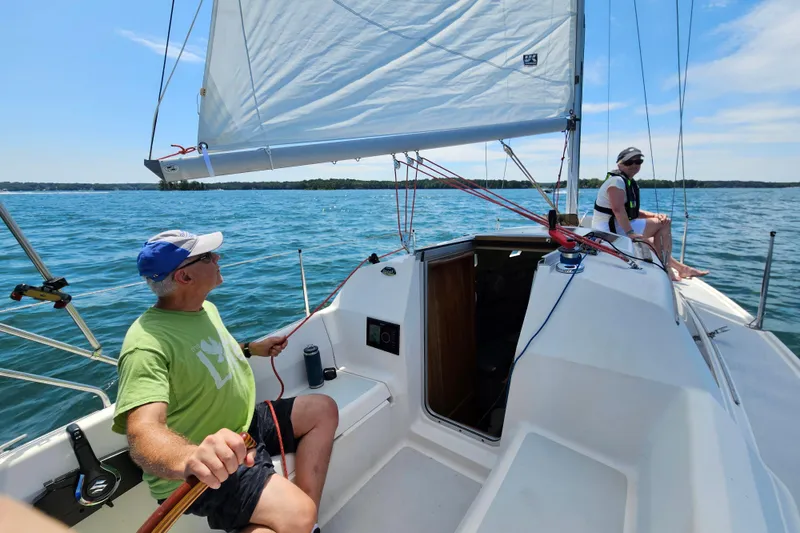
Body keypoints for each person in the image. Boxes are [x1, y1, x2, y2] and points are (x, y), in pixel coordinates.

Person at [112, 230, 338, 533]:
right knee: (298, 514)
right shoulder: (145, 345)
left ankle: (304, 520)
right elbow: (142, 432)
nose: (218, 258)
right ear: (184, 277)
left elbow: (205, 354)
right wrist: (191, 458)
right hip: (206, 467)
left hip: (243, 427)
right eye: (207, 257)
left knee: (323, 409)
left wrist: (251, 349)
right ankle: (299, 520)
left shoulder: (205, 309)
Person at [592, 147, 708, 281]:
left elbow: (631, 212)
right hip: (607, 229)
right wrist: (630, 233)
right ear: (620, 164)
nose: (634, 165)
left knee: (655, 236)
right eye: (629, 162)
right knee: (664, 224)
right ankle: (667, 269)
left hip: (615, 224)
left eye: (638, 161)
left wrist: (654, 215)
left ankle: (681, 269)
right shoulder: (617, 181)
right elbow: (618, 210)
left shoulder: (626, 182)